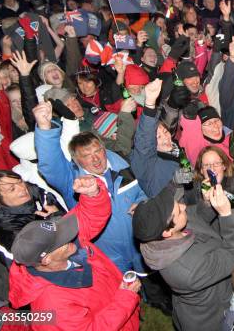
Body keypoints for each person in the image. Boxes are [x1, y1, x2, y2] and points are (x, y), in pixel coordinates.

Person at [8, 176, 141, 330]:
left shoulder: (66, 244)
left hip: (126, 314)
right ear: (47, 260)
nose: (70, 235)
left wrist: (92, 194)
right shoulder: (51, 307)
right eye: (61, 240)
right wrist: (125, 298)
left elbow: (87, 217)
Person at [33, 101, 149, 273]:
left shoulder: (123, 166)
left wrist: (142, 203)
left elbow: (142, 192)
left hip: (141, 245)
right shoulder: (73, 182)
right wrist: (44, 127)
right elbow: (51, 165)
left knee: (153, 288)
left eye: (97, 152)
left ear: (104, 148)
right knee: (126, 295)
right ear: (77, 161)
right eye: (86, 156)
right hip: (107, 256)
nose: (95, 159)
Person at [132, 182, 234, 331]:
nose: (184, 206)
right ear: (167, 232)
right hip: (211, 318)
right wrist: (227, 215)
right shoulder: (187, 270)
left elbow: (196, 217)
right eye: (178, 210)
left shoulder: (165, 234)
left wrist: (206, 203)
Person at [188, 146, 234, 258]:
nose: (212, 169)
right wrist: (206, 202)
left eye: (216, 164)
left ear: (224, 166)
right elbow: (197, 226)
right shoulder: (194, 192)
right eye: (206, 165)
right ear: (201, 170)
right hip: (215, 256)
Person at [0, 170, 64, 260]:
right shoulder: (6, 227)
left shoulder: (30, 191)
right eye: (12, 189)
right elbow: (38, 253)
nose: (22, 188)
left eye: (20, 181)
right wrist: (56, 220)